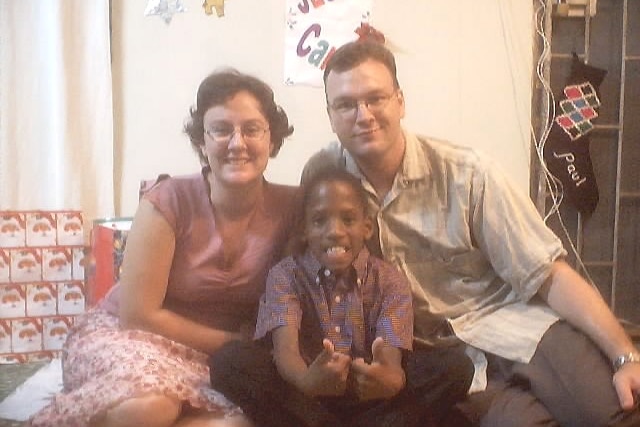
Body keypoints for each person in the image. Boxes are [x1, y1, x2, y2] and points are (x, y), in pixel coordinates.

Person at [301, 40, 640, 427]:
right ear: (330, 115)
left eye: (375, 98)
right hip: (449, 362)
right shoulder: (324, 177)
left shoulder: (467, 173)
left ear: (400, 102)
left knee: (613, 414)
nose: (363, 115)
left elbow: (548, 274)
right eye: (345, 104)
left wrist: (624, 356)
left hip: (520, 326)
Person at [30, 69, 300, 427]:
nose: (238, 143)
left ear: (272, 139)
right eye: (221, 129)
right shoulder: (168, 200)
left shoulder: (293, 206)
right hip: (136, 337)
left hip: (221, 359)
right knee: (148, 410)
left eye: (252, 129)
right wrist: (236, 342)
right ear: (202, 141)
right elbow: (138, 314)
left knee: (230, 425)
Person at [210, 167, 473, 427]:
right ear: (304, 229)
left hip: (372, 397)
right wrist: (306, 381)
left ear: (366, 227)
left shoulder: (389, 279)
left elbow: (391, 362)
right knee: (229, 361)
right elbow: (285, 351)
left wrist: (390, 379)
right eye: (319, 220)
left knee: (455, 367)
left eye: (348, 220)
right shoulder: (286, 275)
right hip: (306, 396)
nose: (335, 231)